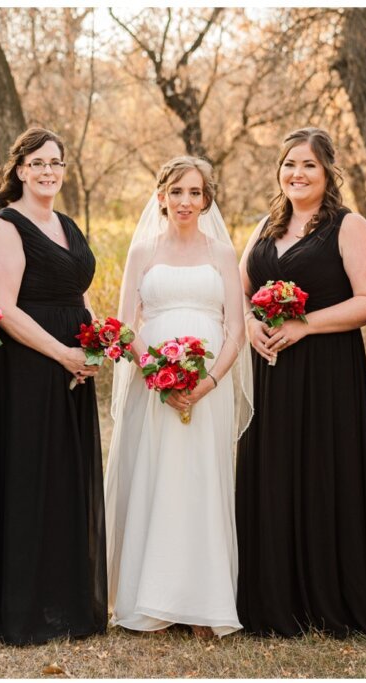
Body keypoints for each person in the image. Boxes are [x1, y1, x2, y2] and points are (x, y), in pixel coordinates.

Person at [235, 127, 366, 637]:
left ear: (327, 173)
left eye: (309, 166)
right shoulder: (265, 224)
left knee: (324, 473)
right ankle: (271, 598)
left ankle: (327, 599)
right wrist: (252, 323)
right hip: (270, 372)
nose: (297, 174)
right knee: (272, 471)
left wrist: (305, 325)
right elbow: (239, 291)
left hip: (326, 371)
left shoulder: (349, 226)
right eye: (289, 165)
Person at [0, 128, 106, 645]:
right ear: (20, 169)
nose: (49, 171)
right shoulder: (5, 228)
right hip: (26, 368)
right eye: (38, 163)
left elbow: (77, 293)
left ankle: (64, 602)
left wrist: (94, 342)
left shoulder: (66, 224)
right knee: (28, 478)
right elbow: (3, 308)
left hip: (72, 366)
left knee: (65, 478)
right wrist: (62, 352)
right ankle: (20, 608)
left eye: (56, 163)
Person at [105, 156, 253, 639]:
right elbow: (127, 326)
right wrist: (158, 377)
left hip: (209, 387)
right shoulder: (143, 250)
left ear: (207, 198)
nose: (185, 201)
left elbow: (235, 329)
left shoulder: (222, 253)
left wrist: (207, 382)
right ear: (161, 195)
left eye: (195, 192)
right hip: (155, 389)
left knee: (201, 478)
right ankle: (152, 600)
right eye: (176, 191)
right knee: (157, 476)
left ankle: (202, 604)